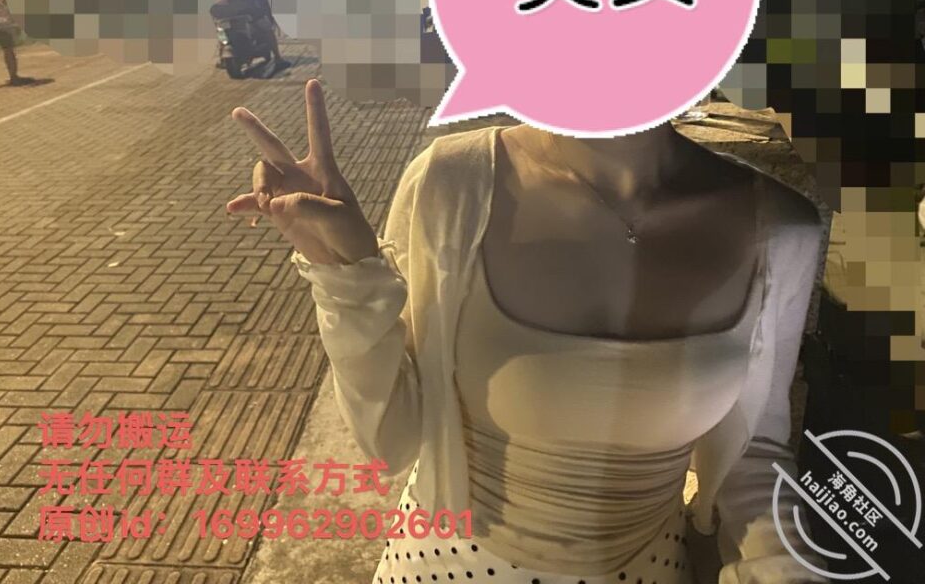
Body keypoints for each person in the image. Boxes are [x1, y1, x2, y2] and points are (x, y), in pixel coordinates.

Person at [227, 80, 828, 584]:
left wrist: (785, 569)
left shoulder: (781, 230)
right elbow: (390, 438)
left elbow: (755, 454)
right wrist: (345, 272)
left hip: (651, 566)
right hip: (441, 565)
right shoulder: (451, 183)